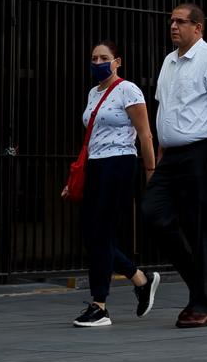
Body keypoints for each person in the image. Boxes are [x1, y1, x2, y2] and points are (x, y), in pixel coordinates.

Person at [140, 3, 207, 328]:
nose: (173, 26)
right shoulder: (169, 62)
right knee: (152, 213)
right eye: (171, 22)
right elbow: (167, 108)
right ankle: (202, 281)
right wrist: (162, 151)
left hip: (200, 152)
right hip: (172, 155)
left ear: (198, 27)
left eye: (180, 22)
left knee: (199, 228)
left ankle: (203, 305)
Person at [67, 39, 160, 328]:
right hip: (95, 165)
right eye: (93, 58)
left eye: (103, 57)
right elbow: (91, 138)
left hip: (120, 163)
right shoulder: (93, 93)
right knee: (92, 234)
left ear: (117, 61)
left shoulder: (128, 89)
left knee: (101, 232)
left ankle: (100, 305)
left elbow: (145, 135)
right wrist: (76, 179)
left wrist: (150, 171)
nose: (97, 63)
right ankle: (140, 279)